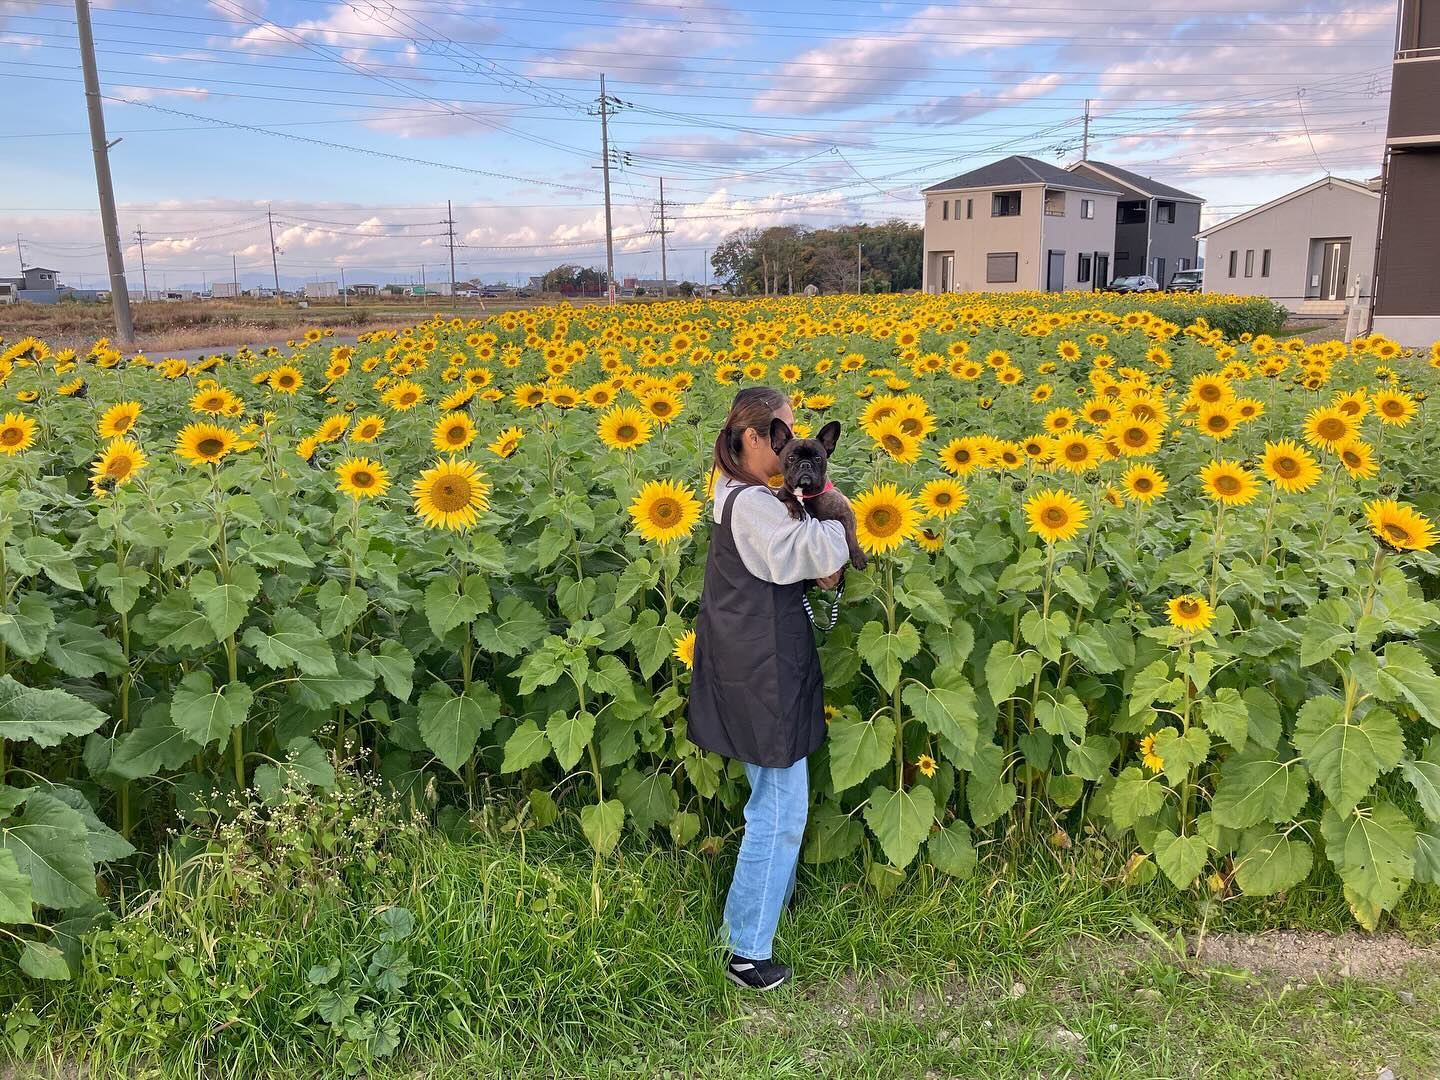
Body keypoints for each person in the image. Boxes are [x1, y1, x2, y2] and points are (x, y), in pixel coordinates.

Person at [687, 386, 851, 992]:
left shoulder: (735, 490)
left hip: (755, 660)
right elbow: (813, 553)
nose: (790, 444)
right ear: (753, 438)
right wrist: (834, 531)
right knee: (778, 809)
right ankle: (746, 949)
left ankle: (761, 913)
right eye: (781, 431)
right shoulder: (755, 505)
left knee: (779, 799)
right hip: (763, 668)